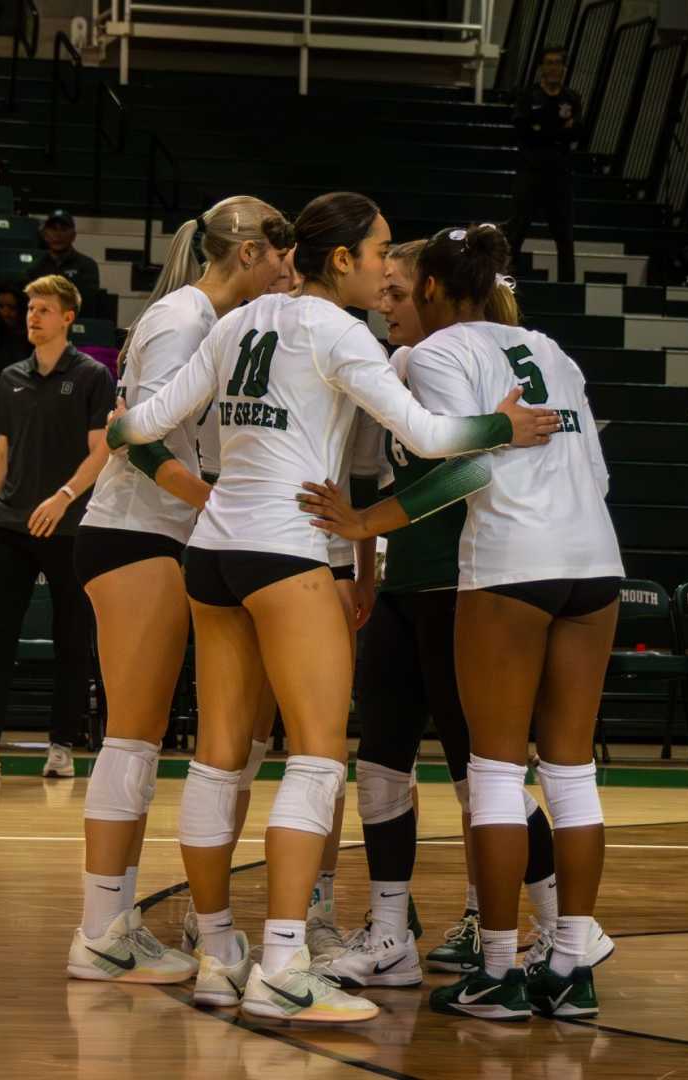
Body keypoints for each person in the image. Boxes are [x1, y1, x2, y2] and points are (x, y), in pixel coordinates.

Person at [106, 192, 559, 1024]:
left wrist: (150, 451)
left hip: (211, 549)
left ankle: (217, 954)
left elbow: (132, 429)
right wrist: (497, 424)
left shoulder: (236, 322)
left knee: (216, 760)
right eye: (382, 250)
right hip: (285, 549)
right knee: (316, 756)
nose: (392, 265)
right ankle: (282, 961)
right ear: (342, 259)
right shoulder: (341, 332)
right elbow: (426, 438)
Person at [294, 224, 613, 1021]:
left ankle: (498, 970)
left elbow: (462, 465)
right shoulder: (551, 347)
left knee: (498, 774)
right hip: (596, 562)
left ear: (431, 287)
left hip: (512, 563)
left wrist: (367, 525)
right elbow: (598, 470)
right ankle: (572, 966)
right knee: (571, 774)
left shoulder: (437, 354)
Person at [66, 196, 292, 990]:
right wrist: (215, 503)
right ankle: (99, 930)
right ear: (250, 254)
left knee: (144, 735)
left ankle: (116, 923)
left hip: (166, 535)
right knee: (131, 736)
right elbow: (138, 436)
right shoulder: (184, 318)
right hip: (135, 531)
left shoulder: (211, 320)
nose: (287, 265)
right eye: (280, 251)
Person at [0, 274, 115, 782]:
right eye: (30, 309)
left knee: (70, 638)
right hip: (11, 525)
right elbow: (2, 453)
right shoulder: (13, 376)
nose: (32, 316)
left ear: (67, 317)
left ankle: (62, 745)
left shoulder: (90, 376)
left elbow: (102, 450)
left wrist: (64, 498)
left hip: (68, 529)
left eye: (43, 309)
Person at [506, 46, 579, 285]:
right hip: (531, 171)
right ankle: (506, 285)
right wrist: (556, 130)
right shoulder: (528, 97)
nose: (553, 67)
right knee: (516, 231)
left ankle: (568, 289)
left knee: (564, 235)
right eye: (549, 62)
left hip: (560, 174)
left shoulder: (572, 98)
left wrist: (545, 130)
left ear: (564, 68)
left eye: (558, 62)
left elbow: (578, 133)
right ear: (541, 68)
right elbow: (523, 132)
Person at [37, 210, 100, 293]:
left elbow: (86, 300)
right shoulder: (37, 268)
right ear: (45, 235)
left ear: (73, 235)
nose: (58, 234)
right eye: (53, 229)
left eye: (64, 229)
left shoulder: (87, 266)